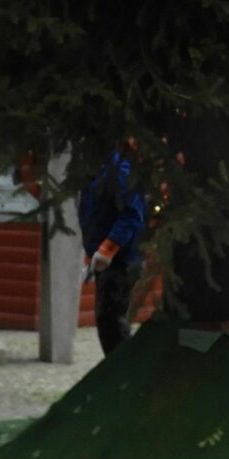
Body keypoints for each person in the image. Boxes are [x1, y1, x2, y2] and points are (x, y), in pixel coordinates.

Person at [79, 145, 149, 355]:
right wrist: (92, 257)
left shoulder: (118, 167)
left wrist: (108, 249)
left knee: (112, 324)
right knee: (108, 322)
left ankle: (127, 376)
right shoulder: (95, 168)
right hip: (110, 262)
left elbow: (131, 215)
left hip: (122, 261)